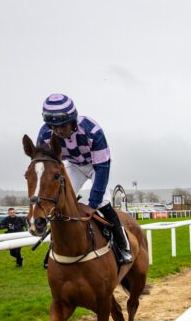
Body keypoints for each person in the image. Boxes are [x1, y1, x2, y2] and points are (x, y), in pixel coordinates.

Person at [37, 93, 131, 264]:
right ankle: (54, 247)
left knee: (103, 203)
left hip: (97, 166)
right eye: (53, 126)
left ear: (72, 119)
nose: (58, 131)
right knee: (60, 202)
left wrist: (93, 204)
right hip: (73, 166)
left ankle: (123, 245)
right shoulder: (45, 134)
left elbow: (102, 168)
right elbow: (44, 166)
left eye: (62, 126)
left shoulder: (92, 130)